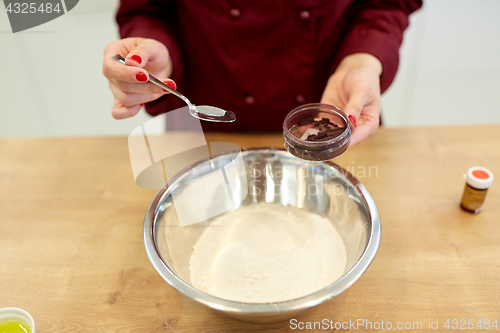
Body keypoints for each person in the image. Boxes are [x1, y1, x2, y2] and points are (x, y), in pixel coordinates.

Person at [103, 0, 422, 146]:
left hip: (331, 115)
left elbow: (387, 2)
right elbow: (146, 8)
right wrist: (156, 53)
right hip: (199, 130)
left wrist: (363, 58)